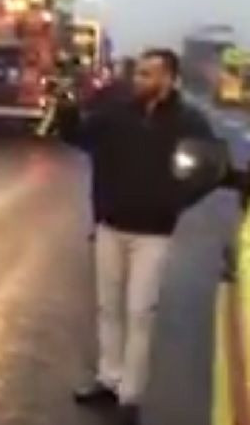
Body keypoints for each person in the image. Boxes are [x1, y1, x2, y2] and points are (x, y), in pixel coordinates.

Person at [60, 49, 216, 425]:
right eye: (139, 73)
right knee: (108, 309)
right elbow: (81, 137)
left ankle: (130, 394)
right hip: (110, 226)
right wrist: (67, 116)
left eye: (148, 75)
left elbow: (209, 166)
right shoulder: (118, 113)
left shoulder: (189, 121)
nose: (139, 80)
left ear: (169, 79)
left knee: (139, 313)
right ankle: (108, 379)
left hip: (153, 233)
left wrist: (173, 201)